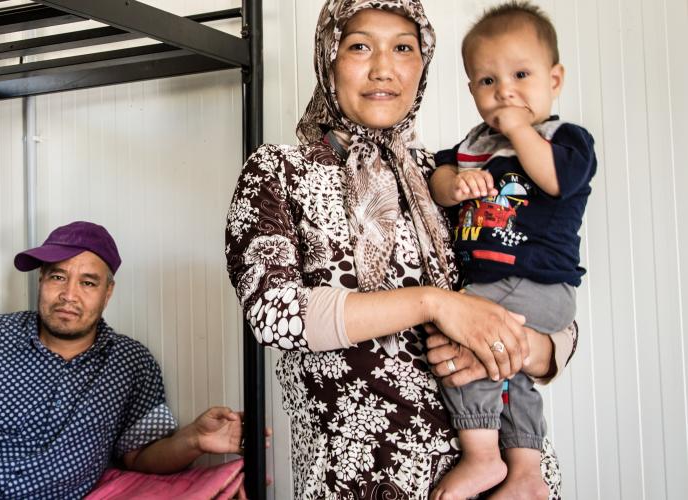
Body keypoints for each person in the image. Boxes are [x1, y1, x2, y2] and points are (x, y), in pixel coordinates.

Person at [223, 0, 577, 497]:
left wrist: (510, 350)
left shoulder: (449, 176)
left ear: (423, 65)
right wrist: (437, 304)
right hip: (361, 480)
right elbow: (273, 313)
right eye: (360, 46)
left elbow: (549, 310)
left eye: (404, 48)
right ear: (329, 58)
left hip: (504, 481)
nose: (383, 68)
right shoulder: (279, 172)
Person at [0, 221, 257, 500]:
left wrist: (194, 440)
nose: (68, 295)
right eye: (57, 276)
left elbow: (139, 456)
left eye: (87, 282)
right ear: (42, 281)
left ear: (107, 293)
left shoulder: (131, 363)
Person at [426, 3, 596, 499]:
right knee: (512, 373)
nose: (504, 91)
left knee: (466, 337)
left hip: (538, 282)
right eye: (486, 81)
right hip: (500, 283)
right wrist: (454, 184)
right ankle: (525, 471)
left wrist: (520, 130)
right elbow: (437, 174)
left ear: (554, 78)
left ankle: (481, 455)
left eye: (521, 74)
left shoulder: (565, 140)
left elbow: (555, 179)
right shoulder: (475, 143)